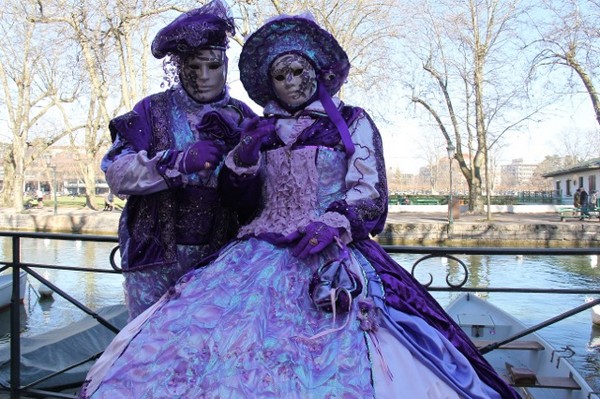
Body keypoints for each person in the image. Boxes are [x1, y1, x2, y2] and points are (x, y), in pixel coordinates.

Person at [79, 14, 519, 398]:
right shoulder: (214, 120)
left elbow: (370, 191)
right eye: (280, 76)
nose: (290, 83)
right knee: (190, 345)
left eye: (297, 72)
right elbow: (236, 198)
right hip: (191, 255)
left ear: (317, 71)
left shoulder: (345, 122)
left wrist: (335, 222)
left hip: (323, 253)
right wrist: (234, 161)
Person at [100, 0, 257, 320]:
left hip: (220, 263)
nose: (203, 76)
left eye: (212, 66)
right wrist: (176, 162)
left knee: (208, 352)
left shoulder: (244, 117)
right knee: (146, 348)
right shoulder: (150, 110)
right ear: (178, 66)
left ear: (225, 65)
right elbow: (116, 172)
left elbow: (265, 191)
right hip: (153, 262)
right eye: (193, 66)